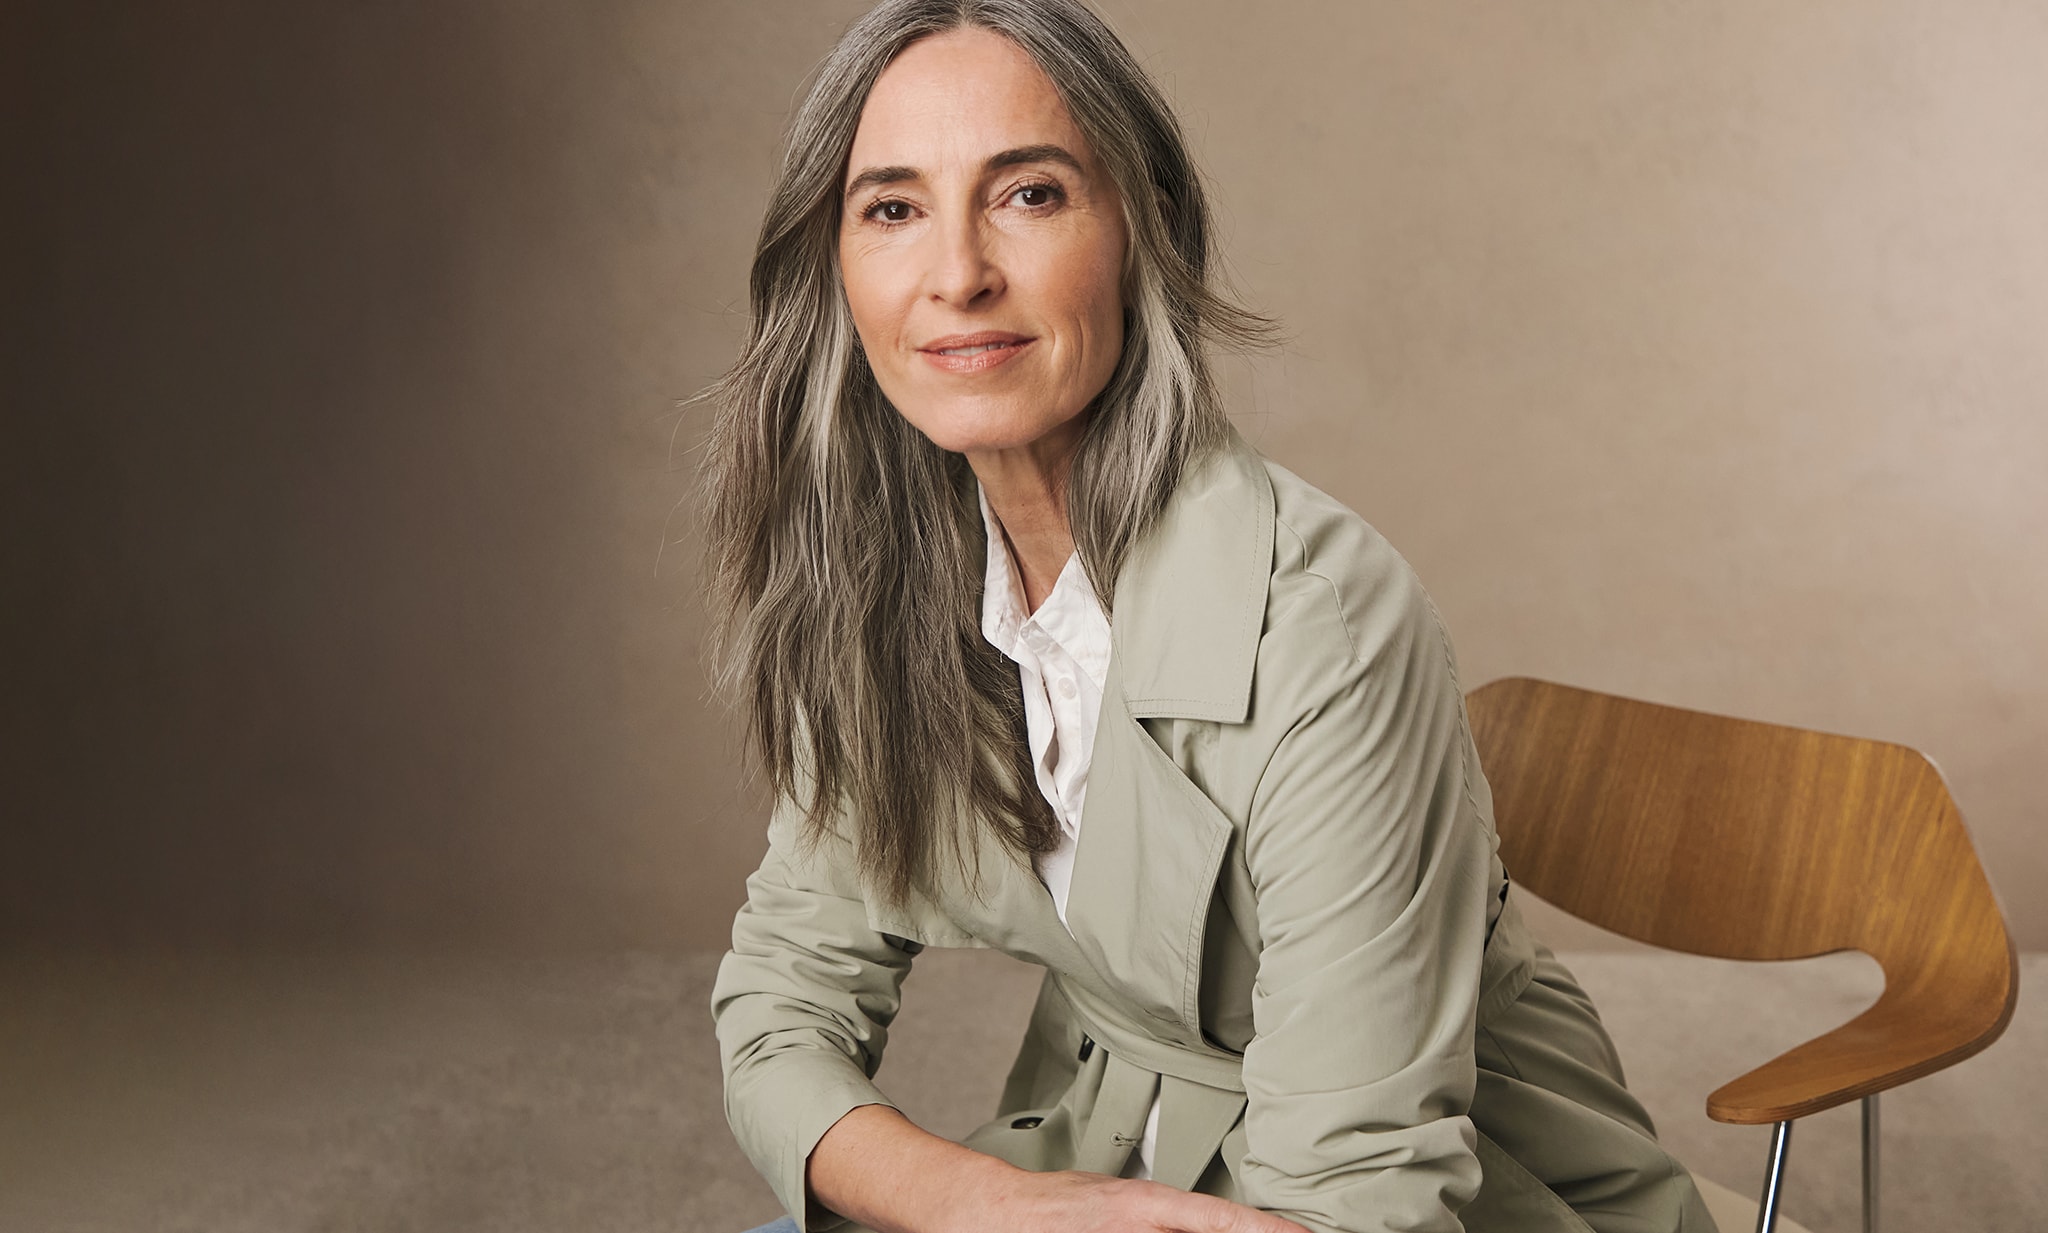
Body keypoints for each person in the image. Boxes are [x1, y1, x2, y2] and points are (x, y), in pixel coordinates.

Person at [702, 2, 1718, 1231]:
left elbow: (1357, 1194)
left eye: (1028, 195)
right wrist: (983, 1207)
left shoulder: (1323, 627)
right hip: (1102, 1177)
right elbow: (779, 1009)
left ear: (1143, 232)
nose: (956, 274)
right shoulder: (888, 592)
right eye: (893, 208)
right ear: (838, 266)